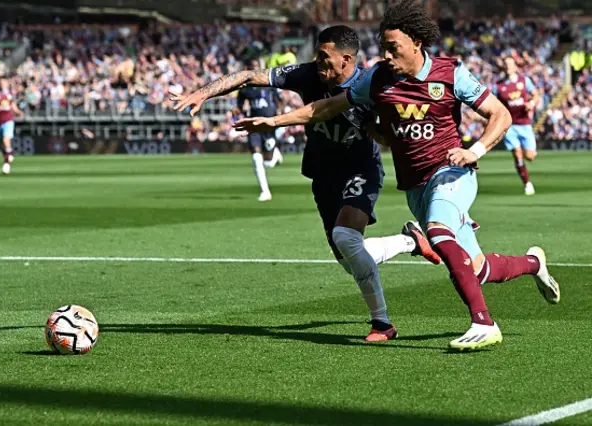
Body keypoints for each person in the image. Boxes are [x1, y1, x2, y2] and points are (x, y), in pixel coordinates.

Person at [233, 0, 560, 351]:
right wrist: (274, 121)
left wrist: (473, 151)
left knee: (437, 230)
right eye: (383, 47)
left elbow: (500, 114)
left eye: (394, 48)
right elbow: (328, 106)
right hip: (415, 185)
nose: (386, 55)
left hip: (452, 172)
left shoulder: (451, 74)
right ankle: (533, 262)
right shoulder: (377, 79)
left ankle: (484, 323)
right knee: (475, 269)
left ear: (416, 43)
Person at [172, 25, 442, 342]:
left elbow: (392, 136)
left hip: (361, 169)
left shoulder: (371, 84)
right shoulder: (308, 74)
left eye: (325, 59)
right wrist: (203, 92)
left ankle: (382, 323)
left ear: (347, 59)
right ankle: (410, 240)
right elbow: (248, 76)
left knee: (346, 236)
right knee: (348, 259)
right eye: (317, 57)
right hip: (322, 171)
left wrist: (380, 132)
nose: (319, 65)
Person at [235, 59, 284, 201]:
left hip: (269, 123)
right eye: (253, 67)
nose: (256, 69)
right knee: (256, 157)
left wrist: (281, 113)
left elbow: (279, 99)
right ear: (249, 68)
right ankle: (265, 191)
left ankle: (275, 153)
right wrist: (236, 109)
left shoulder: (269, 83)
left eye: (257, 66)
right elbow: (239, 104)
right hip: (254, 124)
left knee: (268, 161)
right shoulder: (245, 88)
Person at [493, 56, 541, 195]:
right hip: (510, 125)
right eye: (506, 64)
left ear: (515, 66)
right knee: (517, 153)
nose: (508, 67)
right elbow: (494, 104)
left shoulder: (524, 80)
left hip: (525, 124)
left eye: (510, 64)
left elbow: (536, 95)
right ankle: (527, 183)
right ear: (503, 67)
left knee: (529, 156)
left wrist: (531, 104)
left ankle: (531, 155)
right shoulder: (498, 86)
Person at [0, 76, 24, 175]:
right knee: (2, 144)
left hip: (8, 120)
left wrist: (19, 112)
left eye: (4, 82)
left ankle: (6, 163)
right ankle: (8, 155)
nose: (3, 84)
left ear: (7, 83)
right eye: (1, 82)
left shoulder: (10, 94)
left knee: (5, 139)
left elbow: (13, 105)